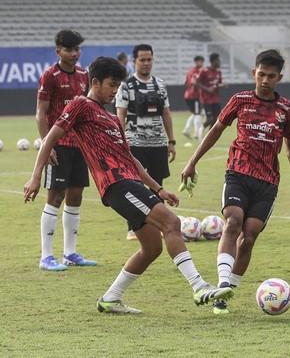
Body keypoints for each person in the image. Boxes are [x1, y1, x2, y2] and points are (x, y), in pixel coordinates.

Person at [24, 56, 232, 314]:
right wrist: (36, 176)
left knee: (152, 247)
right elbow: (50, 137)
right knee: (172, 224)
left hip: (130, 182)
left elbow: (129, 158)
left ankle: (110, 298)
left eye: (118, 86)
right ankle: (199, 286)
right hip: (116, 184)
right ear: (95, 82)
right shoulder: (81, 105)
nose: (115, 91)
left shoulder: (111, 118)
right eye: (112, 85)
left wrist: (158, 189)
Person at [181, 49, 290, 315]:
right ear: (254, 73)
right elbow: (215, 130)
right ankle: (222, 284)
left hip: (267, 183)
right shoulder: (240, 100)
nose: (265, 80)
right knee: (233, 223)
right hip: (237, 175)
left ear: (279, 78)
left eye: (271, 76)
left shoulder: (287, 109)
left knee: (248, 238)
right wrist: (192, 162)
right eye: (261, 74)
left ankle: (226, 294)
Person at [35, 29, 96, 271]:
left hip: (80, 145)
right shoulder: (50, 76)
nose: (73, 54)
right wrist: (45, 143)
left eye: (77, 49)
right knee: (55, 197)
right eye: (69, 49)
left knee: (75, 196)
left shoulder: (84, 75)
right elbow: (40, 113)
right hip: (58, 144)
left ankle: (70, 253)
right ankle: (46, 256)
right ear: (58, 51)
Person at [116, 44, 176, 241]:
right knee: (134, 185)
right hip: (134, 142)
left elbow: (166, 113)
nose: (146, 63)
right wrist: (121, 141)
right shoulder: (126, 85)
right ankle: (133, 228)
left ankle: (160, 225)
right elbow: (121, 114)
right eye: (142, 60)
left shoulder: (159, 85)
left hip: (158, 143)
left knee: (157, 184)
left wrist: (171, 141)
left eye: (149, 59)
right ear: (134, 62)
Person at [195, 53, 227, 132]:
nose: (220, 62)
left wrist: (222, 85)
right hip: (206, 98)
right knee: (210, 119)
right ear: (214, 61)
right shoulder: (204, 71)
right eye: (218, 60)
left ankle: (209, 135)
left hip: (215, 99)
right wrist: (207, 89)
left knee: (217, 119)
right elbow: (197, 83)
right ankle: (199, 130)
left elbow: (219, 83)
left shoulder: (218, 72)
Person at [182, 55, 205, 139]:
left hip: (188, 95)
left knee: (195, 113)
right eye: (201, 62)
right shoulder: (196, 71)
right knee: (198, 113)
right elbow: (193, 81)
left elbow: (184, 82)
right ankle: (197, 133)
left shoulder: (190, 70)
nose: (202, 64)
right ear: (197, 62)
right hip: (194, 96)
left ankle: (186, 130)